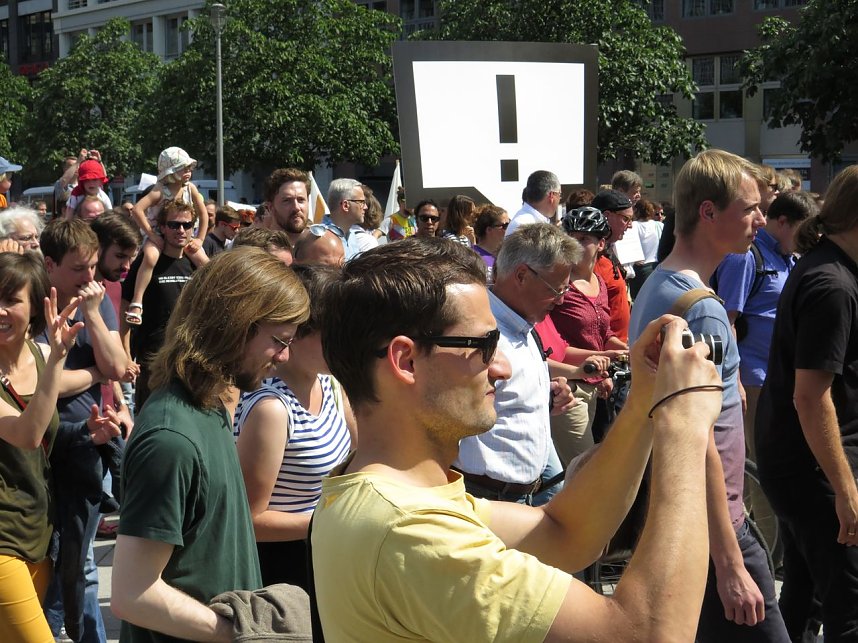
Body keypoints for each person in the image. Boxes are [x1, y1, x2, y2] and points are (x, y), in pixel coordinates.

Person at [311, 236, 724, 642]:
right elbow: (649, 634)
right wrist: (683, 422)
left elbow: (565, 533)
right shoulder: (408, 530)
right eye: (484, 345)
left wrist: (643, 404)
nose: (502, 367)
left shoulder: (392, 494)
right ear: (406, 361)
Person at [111, 248, 310, 642]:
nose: (285, 357)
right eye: (279, 340)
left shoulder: (212, 403)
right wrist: (240, 633)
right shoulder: (171, 440)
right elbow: (132, 594)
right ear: (234, 326)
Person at [630, 148, 788, 642]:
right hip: (714, 524)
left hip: (684, 515)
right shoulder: (701, 310)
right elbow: (695, 442)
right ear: (707, 211)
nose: (760, 219)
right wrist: (730, 561)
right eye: (749, 208)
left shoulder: (661, 285)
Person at [755, 166, 858, 642]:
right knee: (848, 601)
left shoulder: (830, 267)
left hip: (806, 464)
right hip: (815, 468)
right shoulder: (832, 285)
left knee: (806, 588)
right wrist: (846, 491)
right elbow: (810, 397)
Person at [0, 252, 120, 643]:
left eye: (10, 300)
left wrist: (87, 432)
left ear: (35, 306)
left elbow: (48, 430)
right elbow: (26, 434)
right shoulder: (46, 358)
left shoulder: (35, 357)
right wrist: (58, 359)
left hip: (37, 533)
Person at [234, 264, 353, 590]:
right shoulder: (271, 410)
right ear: (297, 331)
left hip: (322, 557)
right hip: (283, 574)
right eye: (334, 330)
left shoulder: (329, 383)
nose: (344, 341)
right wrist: (330, 522)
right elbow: (250, 520)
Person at [454, 224, 576, 506]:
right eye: (556, 290)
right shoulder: (477, 332)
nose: (561, 300)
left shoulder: (525, 325)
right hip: (490, 500)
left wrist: (546, 396)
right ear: (522, 275)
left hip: (526, 492)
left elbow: (506, 404)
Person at [548, 207, 629, 464]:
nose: (576, 243)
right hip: (566, 385)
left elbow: (604, 334)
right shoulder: (559, 285)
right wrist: (605, 355)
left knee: (580, 464)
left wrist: (624, 349)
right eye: (571, 236)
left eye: (584, 239)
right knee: (583, 466)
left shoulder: (600, 282)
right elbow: (552, 342)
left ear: (601, 243)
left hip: (594, 384)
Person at [121, 201, 203, 409]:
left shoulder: (195, 262)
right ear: (163, 228)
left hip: (189, 360)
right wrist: (126, 356)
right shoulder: (147, 262)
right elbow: (125, 314)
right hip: (153, 362)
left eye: (187, 225)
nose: (181, 230)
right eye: (174, 225)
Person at [127, 147, 208, 326]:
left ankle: (214, 299)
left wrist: (200, 239)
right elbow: (137, 209)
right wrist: (151, 235)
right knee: (150, 257)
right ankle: (137, 302)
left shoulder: (190, 188)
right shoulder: (160, 190)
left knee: (206, 262)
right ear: (171, 172)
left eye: (189, 167)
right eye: (183, 167)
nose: (188, 171)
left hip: (184, 237)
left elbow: (204, 214)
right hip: (158, 234)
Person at [322, 178, 373, 260]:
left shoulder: (352, 236)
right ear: (345, 205)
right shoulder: (321, 238)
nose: (366, 207)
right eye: (361, 202)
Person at [628, 198, 664, 299]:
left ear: (636, 211)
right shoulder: (659, 225)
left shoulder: (633, 226)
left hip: (639, 268)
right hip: (656, 267)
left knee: (637, 299)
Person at [506, 170, 562, 236]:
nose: (560, 199)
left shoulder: (526, 222)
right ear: (551, 196)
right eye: (559, 194)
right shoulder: (523, 225)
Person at [263, 168, 309, 247]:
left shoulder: (323, 249)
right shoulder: (258, 252)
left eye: (301, 200)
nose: (296, 208)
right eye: (287, 201)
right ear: (270, 207)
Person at [471, 204, 509, 283]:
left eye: (509, 224)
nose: (508, 229)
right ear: (489, 229)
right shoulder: (471, 256)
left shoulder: (506, 257)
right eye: (505, 226)